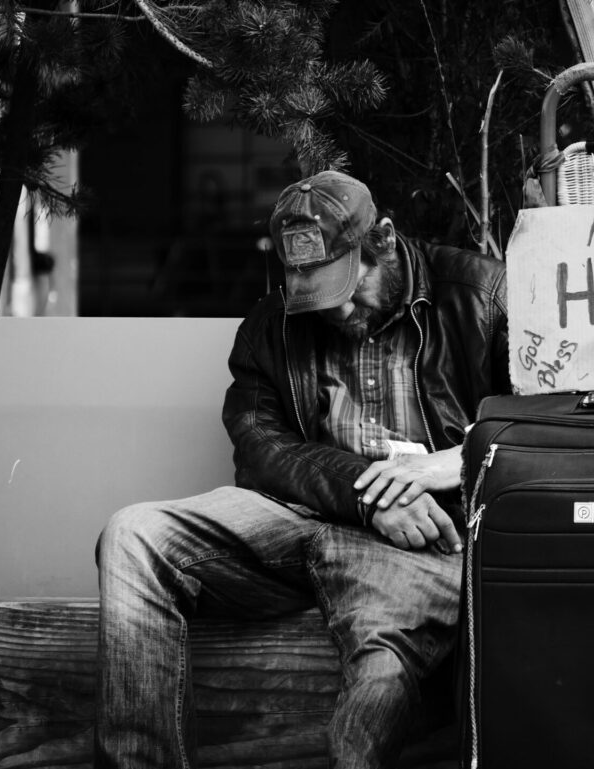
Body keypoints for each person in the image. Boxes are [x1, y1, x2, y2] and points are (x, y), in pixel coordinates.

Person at [94, 170, 510, 768]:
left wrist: (461, 459)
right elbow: (259, 446)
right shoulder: (274, 323)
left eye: (345, 284)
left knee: (370, 710)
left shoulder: (482, 297)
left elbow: (554, 429)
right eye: (311, 290)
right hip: (301, 518)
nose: (333, 308)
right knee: (133, 535)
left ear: (384, 241)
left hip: (419, 548)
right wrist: (367, 493)